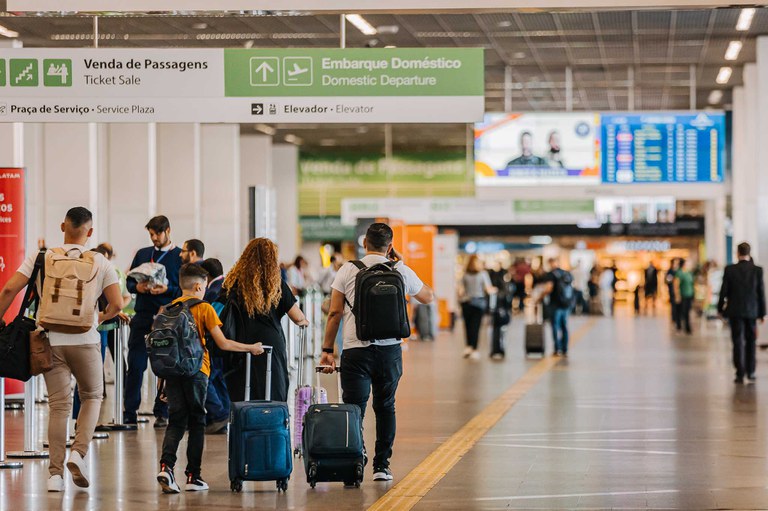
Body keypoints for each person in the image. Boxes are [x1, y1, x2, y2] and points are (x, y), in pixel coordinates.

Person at [0, 207, 123, 492]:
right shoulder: (100, 261)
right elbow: (116, 305)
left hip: (49, 341)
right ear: (89, 232)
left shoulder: (41, 257)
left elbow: (9, 290)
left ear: (62, 226)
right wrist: (98, 318)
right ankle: (78, 453)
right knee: (92, 396)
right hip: (86, 341)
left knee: (58, 406)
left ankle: (55, 475)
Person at [320, 222, 434, 482]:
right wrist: (402, 265)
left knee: (354, 408)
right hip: (390, 351)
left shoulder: (348, 269)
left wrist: (328, 349)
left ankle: (354, 463)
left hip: (355, 350)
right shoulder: (400, 269)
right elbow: (428, 296)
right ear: (390, 246)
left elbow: (335, 312)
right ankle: (382, 466)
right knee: (385, 407)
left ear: (364, 244)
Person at [156, 264, 266, 494]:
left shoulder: (166, 309)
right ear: (198, 286)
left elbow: (163, 351)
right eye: (204, 287)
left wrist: (161, 386)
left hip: (173, 374)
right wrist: (251, 348)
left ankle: (166, 467)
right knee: (197, 422)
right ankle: (193, 476)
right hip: (197, 372)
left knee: (176, 422)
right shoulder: (205, 308)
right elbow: (223, 343)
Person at [219, 238, 308, 403]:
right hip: (271, 346)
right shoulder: (276, 285)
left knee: (242, 394)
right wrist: (305, 321)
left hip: (240, 346)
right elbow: (298, 317)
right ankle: (271, 425)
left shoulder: (232, 284)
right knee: (274, 392)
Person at [124, 215, 183, 427]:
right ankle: (130, 410)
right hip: (142, 315)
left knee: (165, 367)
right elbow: (130, 281)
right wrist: (137, 288)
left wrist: (168, 290)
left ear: (168, 231)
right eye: (151, 235)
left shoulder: (179, 256)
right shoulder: (143, 254)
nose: (154, 238)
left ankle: (163, 410)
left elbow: (182, 289)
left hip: (167, 318)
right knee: (136, 364)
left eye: (157, 234)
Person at [73, 242, 131, 421]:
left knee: (91, 372)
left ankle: (83, 420)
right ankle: (83, 420)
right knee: (90, 372)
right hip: (96, 327)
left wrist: (107, 314)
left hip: (98, 326)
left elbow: (118, 302)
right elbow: (117, 303)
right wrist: (106, 315)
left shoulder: (101, 273)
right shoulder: (105, 273)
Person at [718, 242, 766, 384]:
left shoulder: (730, 269)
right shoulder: (757, 270)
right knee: (751, 341)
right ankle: (751, 372)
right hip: (752, 311)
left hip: (735, 311)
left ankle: (740, 372)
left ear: (737, 253)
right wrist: (763, 313)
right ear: (749, 253)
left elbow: (723, 292)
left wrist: (720, 309)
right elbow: (761, 293)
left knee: (737, 341)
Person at [198, 258, 228, 433]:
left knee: (206, 379)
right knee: (219, 379)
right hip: (224, 342)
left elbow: (211, 320)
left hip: (215, 341)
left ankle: (218, 414)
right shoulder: (226, 286)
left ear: (207, 275)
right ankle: (225, 414)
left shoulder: (213, 292)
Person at [459, 255, 494, 360]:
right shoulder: (483, 274)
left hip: (466, 302)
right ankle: (474, 349)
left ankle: (468, 346)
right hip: (478, 303)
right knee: (476, 326)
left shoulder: (465, 274)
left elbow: (460, 290)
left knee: (468, 326)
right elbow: (488, 289)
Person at [542, 258, 574, 357]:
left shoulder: (551, 274)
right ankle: (565, 348)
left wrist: (540, 297)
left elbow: (548, 288)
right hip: (566, 304)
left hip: (555, 304)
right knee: (564, 326)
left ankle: (557, 348)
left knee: (555, 326)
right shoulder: (566, 273)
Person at [674, 258, 695, 334]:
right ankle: (682, 327)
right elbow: (676, 285)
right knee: (682, 312)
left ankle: (687, 327)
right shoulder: (679, 273)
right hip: (683, 295)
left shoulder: (688, 273)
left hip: (689, 295)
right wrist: (677, 295)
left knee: (687, 312)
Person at [665, 258, 681, 324]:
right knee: (674, 305)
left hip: (679, 292)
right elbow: (667, 281)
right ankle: (674, 318)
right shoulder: (670, 271)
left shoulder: (679, 271)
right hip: (672, 291)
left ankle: (679, 317)